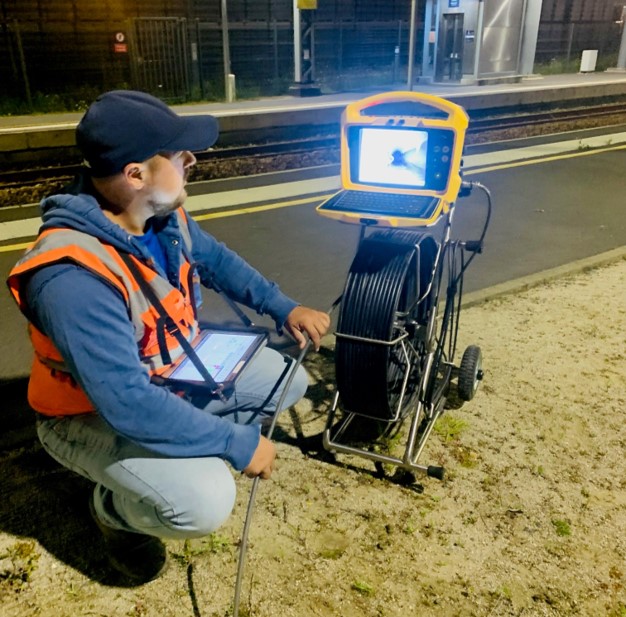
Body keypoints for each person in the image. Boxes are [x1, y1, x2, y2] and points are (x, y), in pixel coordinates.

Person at [6, 90, 330, 583]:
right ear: (136, 175)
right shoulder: (70, 277)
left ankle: (174, 446)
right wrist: (234, 443)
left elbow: (217, 261)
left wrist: (283, 307)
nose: (193, 160)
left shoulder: (161, 215)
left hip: (166, 376)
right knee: (205, 500)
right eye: (179, 155)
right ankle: (113, 510)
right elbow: (127, 403)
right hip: (85, 416)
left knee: (289, 380)